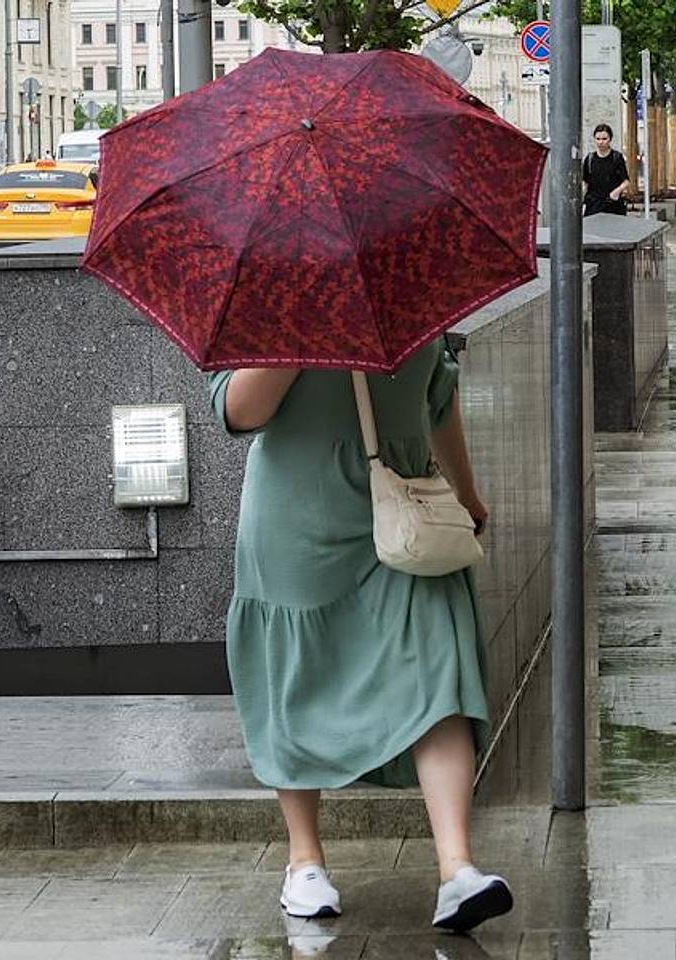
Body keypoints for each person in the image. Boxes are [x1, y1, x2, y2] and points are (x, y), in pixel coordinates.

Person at [209, 341, 512, 932]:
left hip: (403, 510)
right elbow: (240, 413)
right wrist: (304, 327)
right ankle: (304, 861)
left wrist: (467, 495)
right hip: (297, 516)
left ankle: (457, 869)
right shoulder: (272, 302)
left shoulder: (409, 280)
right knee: (298, 675)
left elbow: (439, 399)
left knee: (437, 666)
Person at [582, 123, 630, 217]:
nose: (601, 142)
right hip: (594, 205)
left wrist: (616, 192)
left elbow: (626, 181)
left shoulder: (616, 158)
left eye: (604, 139)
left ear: (610, 139)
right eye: (598, 139)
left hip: (613, 205)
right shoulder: (590, 159)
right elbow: (585, 182)